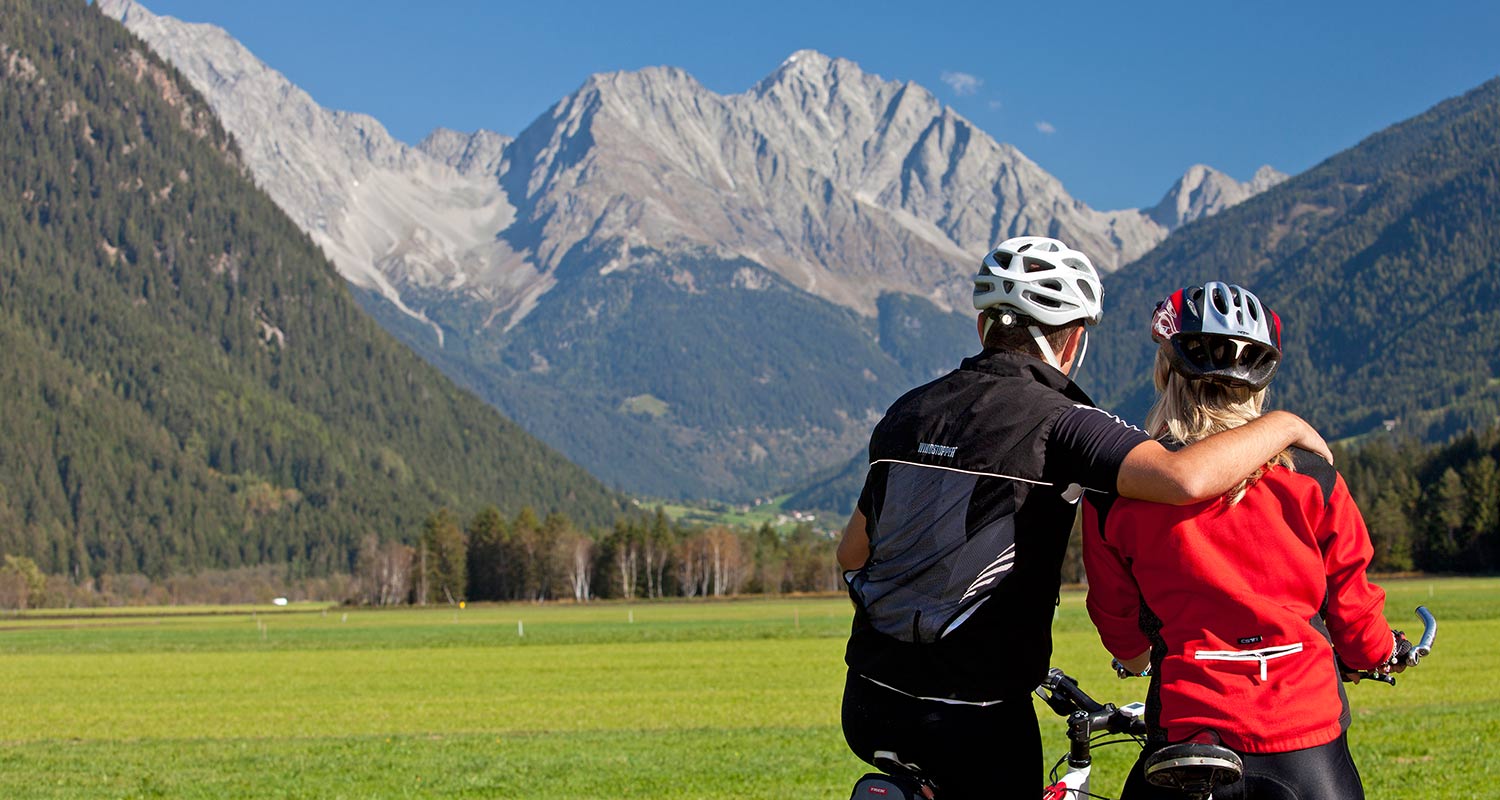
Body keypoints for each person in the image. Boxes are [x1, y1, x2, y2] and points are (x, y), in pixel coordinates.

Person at [836, 238, 1335, 798]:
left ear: (982, 327)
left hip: (868, 696)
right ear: (1073, 341)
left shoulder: (907, 411)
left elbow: (851, 555)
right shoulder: (1064, 423)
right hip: (972, 714)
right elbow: (1183, 478)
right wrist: (1283, 425)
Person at [1082, 281, 1401, 799]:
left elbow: (1117, 620)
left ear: (1164, 371)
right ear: (1257, 387)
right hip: (1305, 740)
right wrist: (1380, 652)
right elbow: (1356, 613)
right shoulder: (1311, 480)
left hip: (1187, 736)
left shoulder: (1124, 491)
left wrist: (1138, 657)